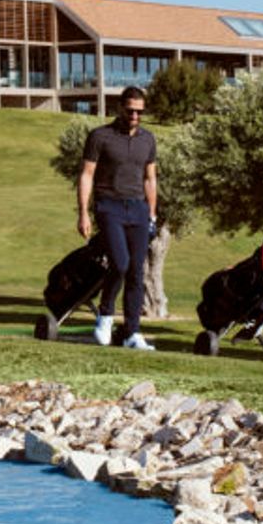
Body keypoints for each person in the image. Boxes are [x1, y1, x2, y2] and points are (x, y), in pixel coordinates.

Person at [76, 86, 159, 352]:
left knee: (137, 271)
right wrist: (83, 213)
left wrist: (153, 213)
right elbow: (87, 175)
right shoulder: (100, 136)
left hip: (138, 209)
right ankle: (106, 315)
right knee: (120, 264)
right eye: (130, 110)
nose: (135, 116)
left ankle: (132, 332)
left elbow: (150, 178)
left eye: (139, 112)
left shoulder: (148, 139)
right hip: (108, 206)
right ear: (120, 108)